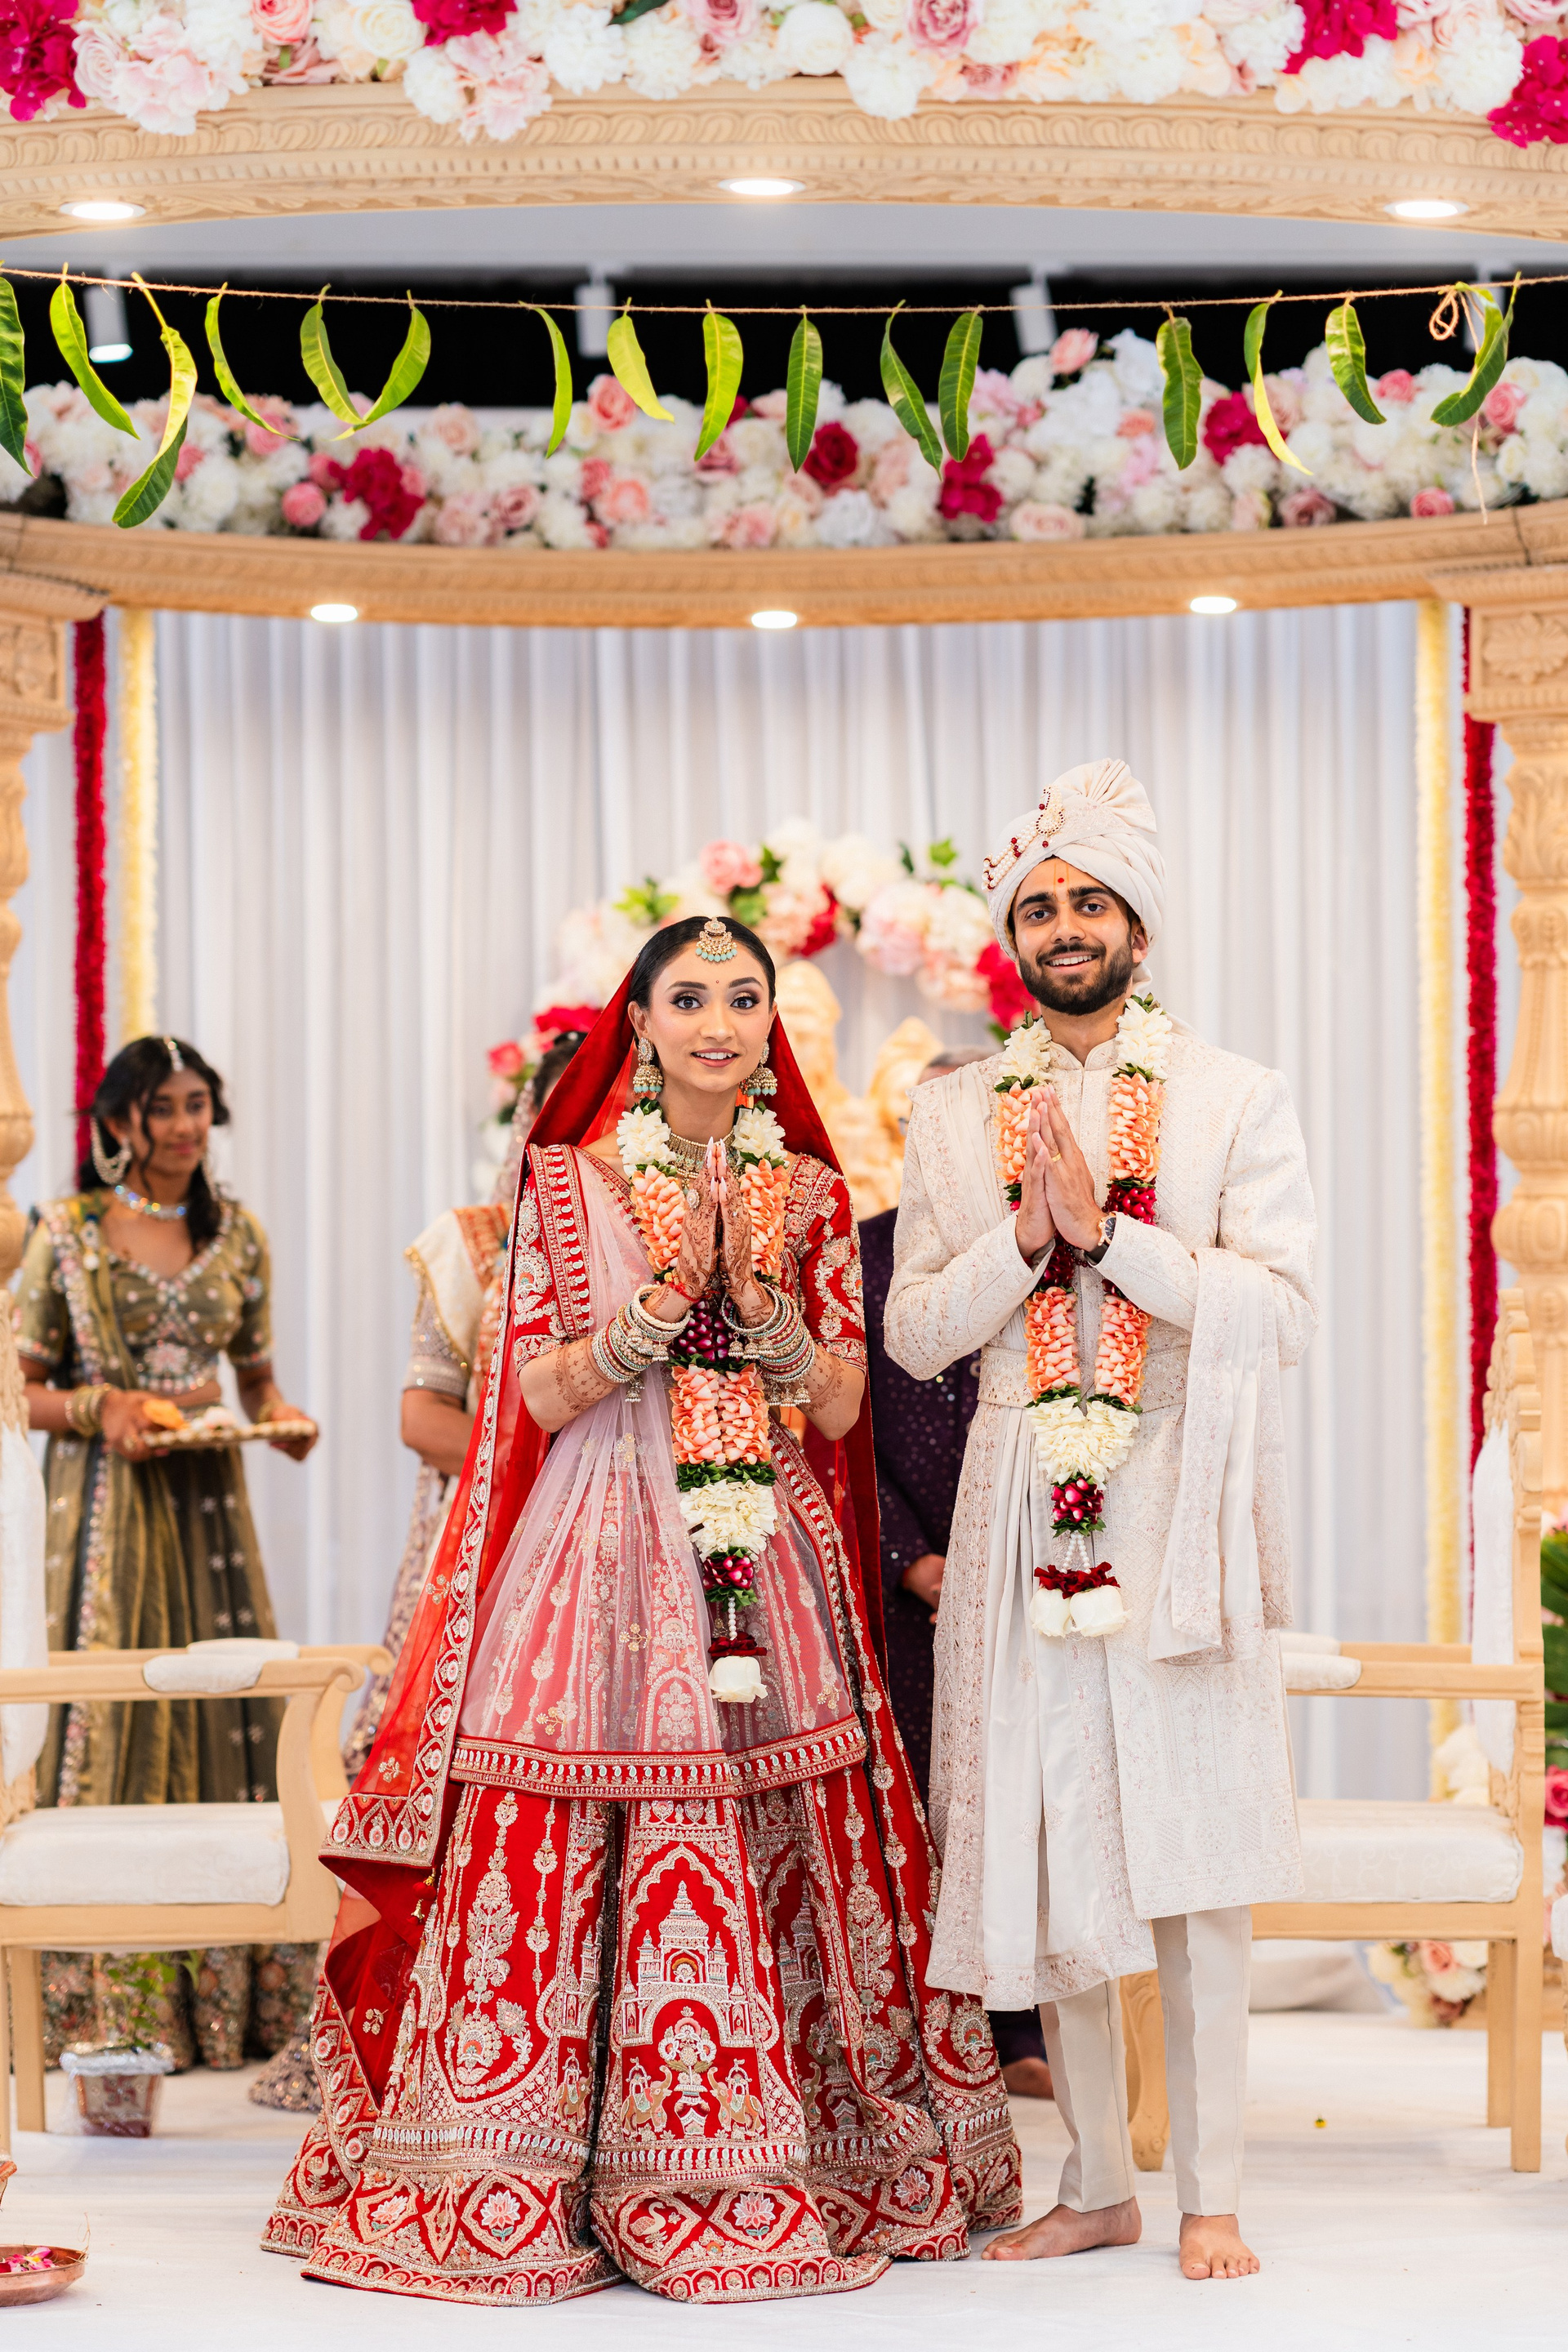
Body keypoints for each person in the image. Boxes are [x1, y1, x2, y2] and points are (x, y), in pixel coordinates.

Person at [265, 915, 1021, 2304]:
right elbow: (531, 1397)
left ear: (769, 1025)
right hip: (595, 1540)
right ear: (642, 1022)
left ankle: (779, 2150)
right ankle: (517, 2164)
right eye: (690, 997)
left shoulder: (809, 1193)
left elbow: (839, 1406)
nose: (719, 1021)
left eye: (745, 997)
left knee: (777, 1808)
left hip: (764, 1551)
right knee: (558, 1812)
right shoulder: (566, 1183)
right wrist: (658, 1311)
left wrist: (764, 1314)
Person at [885, 761, 1316, 2282]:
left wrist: (1115, 1242)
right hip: (1023, 1507)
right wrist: (1024, 1241)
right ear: (1014, 936)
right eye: (1039, 906)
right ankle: (1099, 2185)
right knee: (1052, 1842)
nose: (1065, 926)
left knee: (1193, 1860)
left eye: (1089, 901)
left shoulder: (1233, 1095)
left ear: (1138, 922)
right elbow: (914, 1333)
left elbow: (1281, 1310)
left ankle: (1213, 2192)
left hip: (1178, 1493)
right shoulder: (953, 1114)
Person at [252, 1031, 588, 2118]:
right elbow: (421, 1417)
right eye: (567, 1107)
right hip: (480, 1543)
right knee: (438, 1777)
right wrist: (553, 1456)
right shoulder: (477, 1240)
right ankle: (401, 2045)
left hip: (611, 1555)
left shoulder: (654, 1228)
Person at [16, 1034, 318, 2067]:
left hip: (208, 1509)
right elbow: (18, 1386)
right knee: (115, 1710)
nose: (187, 1126)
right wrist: (102, 1406)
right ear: (118, 1123)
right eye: (165, 1107)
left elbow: (256, 1379)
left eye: (198, 1105)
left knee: (224, 1701)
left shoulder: (239, 1235)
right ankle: (100, 2011)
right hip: (108, 1509)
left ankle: (231, 2012)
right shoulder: (66, 1234)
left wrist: (284, 1420)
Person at [860, 1044, 1054, 2105]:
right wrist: (914, 1560)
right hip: (901, 1591)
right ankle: (915, 2036)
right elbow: (830, 1433)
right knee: (920, 1807)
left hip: (1036, 1575)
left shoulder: (1057, 1247)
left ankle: (1022, 2027)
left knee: (1022, 1803)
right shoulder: (860, 1256)